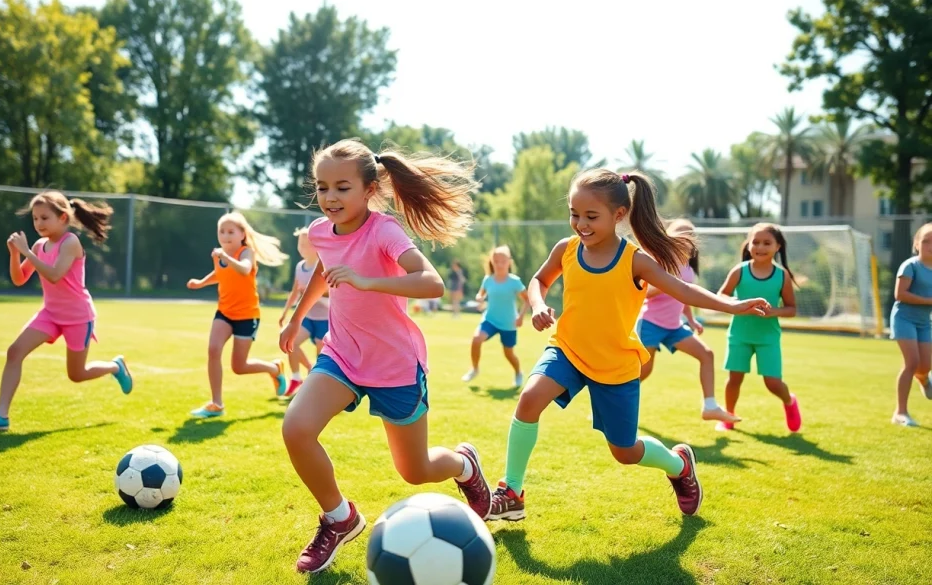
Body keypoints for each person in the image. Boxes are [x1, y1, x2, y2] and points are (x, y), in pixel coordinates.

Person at [485, 170, 770, 523]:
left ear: (619, 215)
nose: (580, 224)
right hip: (568, 349)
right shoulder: (567, 249)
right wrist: (539, 304)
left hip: (615, 365)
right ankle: (512, 492)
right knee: (529, 399)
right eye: (574, 214)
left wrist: (731, 305)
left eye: (591, 216)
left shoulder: (634, 260)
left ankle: (679, 465)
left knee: (624, 450)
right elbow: (539, 280)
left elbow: (682, 290)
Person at [278, 139, 491, 573]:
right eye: (322, 188)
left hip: (395, 365)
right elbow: (324, 269)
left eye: (342, 187)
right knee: (296, 428)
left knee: (415, 469)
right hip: (341, 355)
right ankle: (339, 519)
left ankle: (464, 465)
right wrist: (296, 318)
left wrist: (366, 281)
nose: (330, 198)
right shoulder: (320, 231)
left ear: (369, 189)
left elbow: (431, 283)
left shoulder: (385, 232)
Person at [0, 191, 133, 432]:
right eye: (35, 219)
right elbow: (20, 279)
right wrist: (15, 254)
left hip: (78, 317)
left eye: (44, 218)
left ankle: (115, 367)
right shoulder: (39, 245)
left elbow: (54, 275)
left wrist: (27, 252)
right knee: (15, 352)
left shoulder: (70, 243)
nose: (38, 224)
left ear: (63, 217)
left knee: (76, 374)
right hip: (50, 314)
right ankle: (1, 416)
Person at [186, 212, 289, 418]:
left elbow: (244, 269)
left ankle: (274, 369)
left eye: (230, 231)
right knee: (213, 350)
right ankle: (216, 404)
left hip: (246, 315)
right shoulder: (219, 255)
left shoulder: (246, 252)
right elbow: (220, 274)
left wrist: (225, 257)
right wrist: (201, 282)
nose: (225, 236)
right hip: (224, 312)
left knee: (239, 367)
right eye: (221, 232)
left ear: (242, 234)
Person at [636, 219, 738, 424]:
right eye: (679, 235)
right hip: (651, 323)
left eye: (689, 236)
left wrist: (690, 320)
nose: (684, 239)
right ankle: (607, 404)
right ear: (668, 238)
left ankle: (710, 406)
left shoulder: (688, 269)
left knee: (706, 355)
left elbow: (685, 297)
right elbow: (644, 293)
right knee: (643, 372)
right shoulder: (659, 262)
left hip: (674, 326)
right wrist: (668, 284)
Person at [716, 223, 801, 433]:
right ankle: (729, 417)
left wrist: (774, 311)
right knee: (734, 379)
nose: (760, 247)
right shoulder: (740, 271)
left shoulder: (782, 276)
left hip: (768, 338)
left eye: (767, 243)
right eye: (755, 242)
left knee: (772, 383)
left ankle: (789, 402)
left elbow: (791, 309)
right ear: (748, 244)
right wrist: (738, 304)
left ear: (777, 247)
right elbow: (721, 296)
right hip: (739, 335)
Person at [462, 245, 528, 388]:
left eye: (502, 261)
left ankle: (518, 373)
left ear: (509, 262)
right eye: (496, 261)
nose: (499, 264)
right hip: (490, 320)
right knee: (476, 339)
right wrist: (479, 298)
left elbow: (527, 299)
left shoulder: (514, 281)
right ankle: (474, 369)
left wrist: (521, 317)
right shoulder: (488, 279)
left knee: (509, 354)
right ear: (492, 262)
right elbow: (481, 293)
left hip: (508, 323)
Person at [889, 222, 932, 426]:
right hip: (904, 319)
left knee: (926, 366)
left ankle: (923, 379)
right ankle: (900, 413)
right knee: (912, 363)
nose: (930, 245)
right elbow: (900, 294)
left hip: (924, 322)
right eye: (926, 241)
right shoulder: (910, 266)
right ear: (917, 244)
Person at [279, 227, 330, 398]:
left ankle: (318, 390)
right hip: (307, 317)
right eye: (300, 243)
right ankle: (295, 378)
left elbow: (331, 292)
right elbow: (294, 292)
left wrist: (311, 292)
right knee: (289, 341)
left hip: (325, 319)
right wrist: (285, 313)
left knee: (321, 358)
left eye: (306, 243)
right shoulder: (300, 267)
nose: (301, 247)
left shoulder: (322, 265)